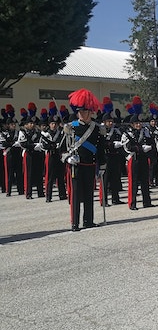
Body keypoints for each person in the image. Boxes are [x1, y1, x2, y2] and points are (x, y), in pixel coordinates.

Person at [62, 89, 106, 231]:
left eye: (85, 111)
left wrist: (102, 164)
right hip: (76, 165)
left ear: (91, 112)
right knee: (75, 194)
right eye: (80, 111)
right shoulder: (70, 128)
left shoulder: (97, 128)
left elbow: (100, 148)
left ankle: (88, 220)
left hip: (90, 164)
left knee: (89, 194)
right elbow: (61, 148)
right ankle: (75, 222)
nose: (82, 114)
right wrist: (68, 158)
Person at [121, 114, 154, 210]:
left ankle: (147, 202)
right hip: (134, 158)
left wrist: (149, 147)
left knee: (145, 180)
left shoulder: (145, 132)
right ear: (132, 124)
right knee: (133, 182)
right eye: (136, 123)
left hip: (143, 158)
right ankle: (132, 203)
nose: (139, 125)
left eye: (139, 123)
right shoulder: (127, 134)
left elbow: (150, 141)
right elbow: (128, 147)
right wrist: (141, 148)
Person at [41, 115, 67, 202]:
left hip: (59, 156)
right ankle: (48, 196)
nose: (54, 125)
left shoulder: (61, 133)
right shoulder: (46, 134)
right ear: (49, 124)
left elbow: (64, 144)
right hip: (51, 155)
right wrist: (53, 146)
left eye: (55, 123)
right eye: (52, 123)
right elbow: (44, 145)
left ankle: (62, 194)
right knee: (50, 177)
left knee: (60, 176)